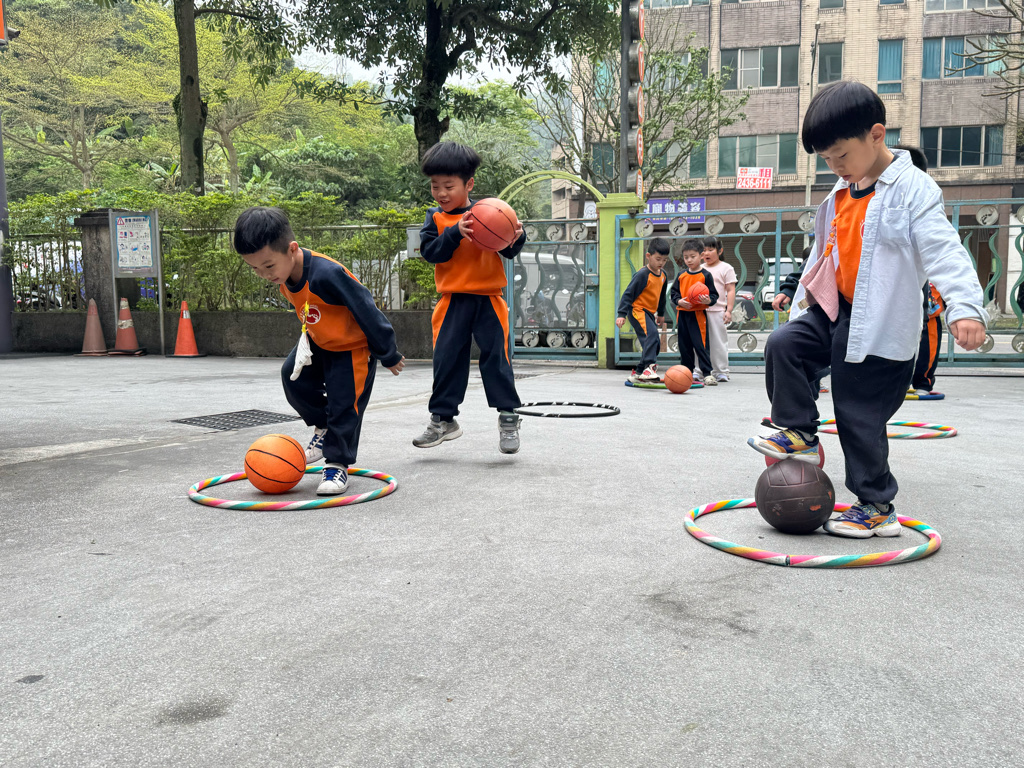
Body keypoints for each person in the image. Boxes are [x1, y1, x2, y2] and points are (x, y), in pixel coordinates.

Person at [748, 81, 987, 538]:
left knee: (858, 416)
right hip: (835, 312)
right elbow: (824, 254)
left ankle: (876, 506)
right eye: (826, 159)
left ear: (876, 134)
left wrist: (965, 308)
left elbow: (945, 251)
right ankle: (798, 432)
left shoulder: (914, 189)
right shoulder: (843, 191)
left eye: (840, 155)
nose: (835, 167)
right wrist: (798, 294)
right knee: (783, 343)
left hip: (880, 326)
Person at [234, 206, 405, 495]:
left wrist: (387, 352)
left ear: (292, 249)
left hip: (351, 348)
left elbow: (365, 308)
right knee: (292, 377)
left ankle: (337, 464)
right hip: (319, 341)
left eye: (268, 266)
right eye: (255, 269)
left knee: (344, 405)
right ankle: (323, 426)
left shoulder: (328, 274)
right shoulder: (283, 274)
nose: (263, 274)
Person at [413, 142, 527, 454]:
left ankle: (508, 417)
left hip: (489, 299)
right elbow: (431, 253)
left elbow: (508, 250)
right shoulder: (435, 218)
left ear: (469, 184)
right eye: (435, 186)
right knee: (446, 360)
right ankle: (443, 420)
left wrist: (517, 236)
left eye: (449, 186)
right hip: (452, 301)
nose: (441, 193)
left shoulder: (490, 213)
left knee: (496, 359)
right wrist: (454, 233)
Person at [616, 238, 669, 382]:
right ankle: (649, 368)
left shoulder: (663, 275)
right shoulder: (642, 274)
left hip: (649, 313)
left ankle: (639, 371)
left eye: (664, 260)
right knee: (651, 335)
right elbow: (628, 294)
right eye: (658, 259)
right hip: (637, 310)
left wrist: (661, 313)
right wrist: (621, 314)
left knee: (655, 341)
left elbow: (662, 296)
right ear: (648, 256)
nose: (661, 263)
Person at [670, 239, 719, 386]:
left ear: (701, 256)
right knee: (684, 346)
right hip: (683, 315)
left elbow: (714, 295)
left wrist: (708, 300)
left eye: (692, 256)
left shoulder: (706, 275)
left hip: (698, 315)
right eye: (686, 257)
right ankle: (686, 373)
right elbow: (674, 293)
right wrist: (679, 301)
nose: (689, 260)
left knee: (701, 345)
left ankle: (707, 374)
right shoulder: (681, 275)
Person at [700, 236, 737, 382]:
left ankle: (721, 371)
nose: (706, 253)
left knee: (718, 342)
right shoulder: (699, 268)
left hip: (717, 311)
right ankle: (699, 370)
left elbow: (731, 290)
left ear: (720, 251)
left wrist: (729, 310)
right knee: (699, 342)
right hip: (699, 311)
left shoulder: (726, 268)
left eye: (710, 250)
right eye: (703, 250)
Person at [912, 283, 944, 395]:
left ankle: (923, 382)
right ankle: (900, 383)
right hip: (906, 314)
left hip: (930, 316)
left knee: (928, 352)